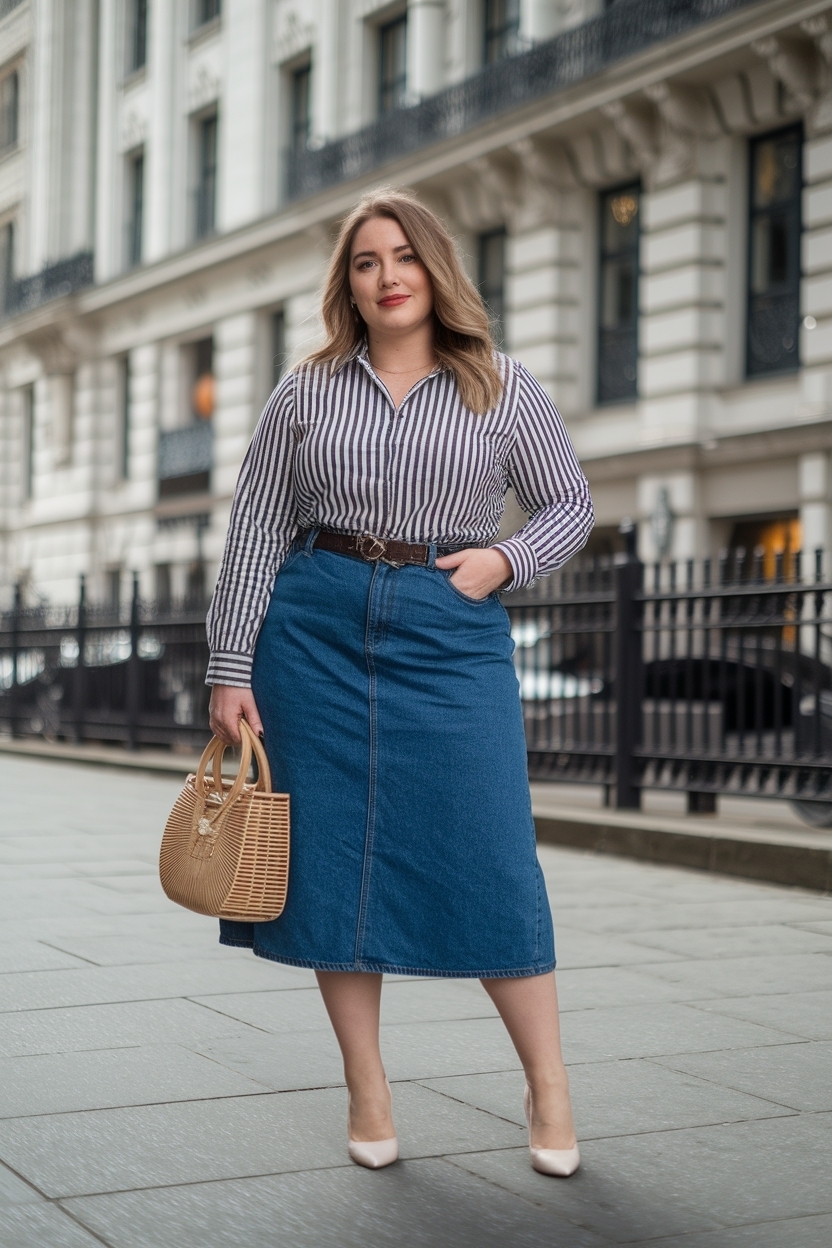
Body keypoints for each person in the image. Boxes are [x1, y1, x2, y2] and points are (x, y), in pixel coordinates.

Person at [206, 188, 594, 1176]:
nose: (387, 277)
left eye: (402, 257)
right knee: (331, 861)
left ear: (435, 269)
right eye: (366, 262)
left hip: (445, 623)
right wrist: (230, 663)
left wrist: (502, 563)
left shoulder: (502, 386)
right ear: (349, 282)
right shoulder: (305, 390)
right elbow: (256, 523)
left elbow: (568, 503)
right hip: (316, 626)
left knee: (491, 850)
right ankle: (367, 1088)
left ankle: (547, 1087)